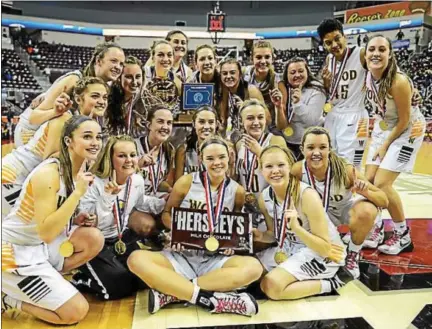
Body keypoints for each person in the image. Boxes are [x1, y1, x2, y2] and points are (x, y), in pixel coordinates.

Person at [127, 137, 262, 316]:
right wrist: (178, 231)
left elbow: (233, 225)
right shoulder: (186, 182)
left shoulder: (237, 191)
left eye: (221, 157)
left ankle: (175, 293)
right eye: (210, 158)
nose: (216, 163)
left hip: (214, 259)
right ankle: (211, 298)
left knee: (254, 268)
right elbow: (167, 214)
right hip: (182, 254)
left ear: (229, 157)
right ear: (201, 159)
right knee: (135, 259)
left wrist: (234, 241)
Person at [1, 115, 104, 324]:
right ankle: (7, 299)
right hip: (13, 253)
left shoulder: (79, 167)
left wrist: (76, 219)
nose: (95, 143)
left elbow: (54, 214)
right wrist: (77, 195)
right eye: (87, 136)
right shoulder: (48, 174)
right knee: (75, 311)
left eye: (98, 137)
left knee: (92, 238)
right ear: (68, 141)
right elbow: (46, 233)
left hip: (37, 247)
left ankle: (48, 284)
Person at [72, 135, 166, 300]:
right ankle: (83, 279)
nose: (129, 160)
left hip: (121, 238)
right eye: (122, 156)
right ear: (110, 158)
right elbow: (92, 223)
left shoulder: (136, 180)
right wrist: (107, 197)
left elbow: (141, 202)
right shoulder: (94, 183)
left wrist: (166, 203)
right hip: (95, 242)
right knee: (118, 287)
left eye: (132, 155)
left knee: (146, 275)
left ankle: (111, 273)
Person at [2, 77, 109, 217]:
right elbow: (49, 163)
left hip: (27, 178)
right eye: (95, 96)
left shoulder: (87, 126)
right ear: (78, 99)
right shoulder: (65, 120)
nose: (102, 101)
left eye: (105, 97)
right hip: (12, 177)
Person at [290, 127, 388, 278]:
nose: (316, 153)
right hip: (317, 216)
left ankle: (353, 253)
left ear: (330, 149)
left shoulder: (346, 170)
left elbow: (384, 200)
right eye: (310, 147)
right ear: (302, 149)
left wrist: (364, 191)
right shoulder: (297, 170)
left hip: (342, 212)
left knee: (366, 211)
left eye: (322, 147)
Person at [254, 145, 350, 300]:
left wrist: (297, 228)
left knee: (271, 286)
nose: (275, 171)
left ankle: (332, 283)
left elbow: (325, 248)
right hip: (289, 247)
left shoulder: (307, 195)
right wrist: (260, 236)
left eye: (281, 165)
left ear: (290, 166)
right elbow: (273, 234)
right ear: (261, 170)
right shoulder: (265, 197)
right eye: (269, 166)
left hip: (321, 253)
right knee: (253, 273)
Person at [364, 35, 426, 255]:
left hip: (408, 130)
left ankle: (403, 235)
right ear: (365, 53)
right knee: (368, 180)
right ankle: (377, 228)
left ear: (390, 54)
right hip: (385, 126)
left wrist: (384, 145)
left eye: (382, 49)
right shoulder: (368, 73)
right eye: (372, 49)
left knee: (382, 184)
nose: (376, 53)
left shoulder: (397, 81)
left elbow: (404, 120)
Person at [14, 42, 124, 147]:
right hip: (31, 131)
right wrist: (55, 112)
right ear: (99, 61)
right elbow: (34, 117)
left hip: (51, 134)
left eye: (121, 64)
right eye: (114, 61)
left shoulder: (103, 89)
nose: (118, 67)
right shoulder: (74, 80)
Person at [317, 18, 370, 168]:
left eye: (337, 39)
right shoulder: (329, 59)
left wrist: (411, 88)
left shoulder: (360, 53)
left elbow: (387, 67)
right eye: (328, 43)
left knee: (350, 165)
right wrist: (327, 84)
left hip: (355, 114)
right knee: (331, 159)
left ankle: (352, 192)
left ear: (344, 37)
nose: (334, 45)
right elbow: (330, 92)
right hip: (333, 114)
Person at [235, 99, 286, 230]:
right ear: (242, 121)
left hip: (271, 207)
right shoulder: (240, 144)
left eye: (260, 117)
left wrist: (260, 152)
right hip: (247, 208)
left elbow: (285, 176)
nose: (256, 122)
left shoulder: (276, 141)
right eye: (250, 118)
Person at [277, 57, 326, 159]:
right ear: (286, 75)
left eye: (301, 71)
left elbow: (311, 121)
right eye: (292, 72)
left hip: (312, 143)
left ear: (307, 72)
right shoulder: (283, 90)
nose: (297, 75)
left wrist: (298, 103)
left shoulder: (317, 89)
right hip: (288, 143)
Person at [219, 58, 267, 137]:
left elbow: (267, 119)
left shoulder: (251, 90)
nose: (228, 76)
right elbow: (224, 121)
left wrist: (247, 109)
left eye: (232, 73)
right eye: (224, 73)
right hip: (235, 135)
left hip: (253, 136)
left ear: (240, 74)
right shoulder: (225, 91)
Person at [243, 41, 285, 128]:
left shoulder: (278, 83)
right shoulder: (244, 74)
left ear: (272, 59)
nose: (263, 61)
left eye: (267, 57)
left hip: (272, 128)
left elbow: (282, 123)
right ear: (252, 59)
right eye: (258, 57)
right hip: (248, 125)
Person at [136, 104, 175, 197]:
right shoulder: (133, 146)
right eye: (160, 122)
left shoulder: (169, 150)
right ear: (149, 125)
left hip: (152, 200)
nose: (165, 127)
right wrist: (139, 164)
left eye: (169, 123)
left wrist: (172, 191)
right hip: (132, 200)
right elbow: (119, 178)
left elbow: (157, 183)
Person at [106, 56, 147, 138]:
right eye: (129, 77)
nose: (134, 82)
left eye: (138, 77)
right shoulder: (107, 100)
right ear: (118, 78)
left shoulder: (144, 102)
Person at [174, 106, 218, 181]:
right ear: (194, 124)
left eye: (211, 122)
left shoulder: (226, 149)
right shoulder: (183, 151)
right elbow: (178, 184)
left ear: (216, 124)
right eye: (201, 122)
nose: (206, 126)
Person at [188, 45, 222, 111]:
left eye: (210, 58)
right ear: (195, 63)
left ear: (216, 61)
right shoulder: (190, 84)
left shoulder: (223, 81)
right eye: (202, 59)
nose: (206, 62)